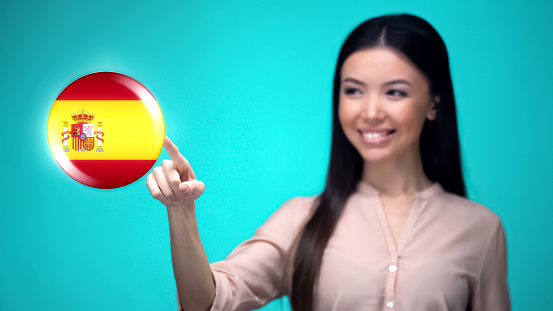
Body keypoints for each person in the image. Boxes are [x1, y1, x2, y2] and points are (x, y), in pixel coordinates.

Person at [147, 13, 511, 311]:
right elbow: (206, 304)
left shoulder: (481, 231)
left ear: (433, 103)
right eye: (353, 90)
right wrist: (181, 210)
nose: (370, 111)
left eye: (395, 92)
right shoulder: (301, 220)